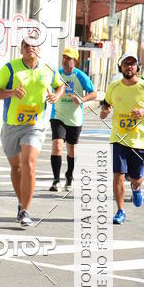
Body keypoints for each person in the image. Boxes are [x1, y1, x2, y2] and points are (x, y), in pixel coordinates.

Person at [0, 35, 64, 226]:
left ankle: (25, 210)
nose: (31, 48)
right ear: (21, 48)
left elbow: (60, 84)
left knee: (29, 164)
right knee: (16, 167)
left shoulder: (48, 69)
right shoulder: (10, 68)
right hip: (12, 124)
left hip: (35, 124)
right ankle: (21, 202)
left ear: (39, 49)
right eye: (27, 45)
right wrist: (11, 92)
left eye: (34, 45)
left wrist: (56, 95)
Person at [100, 53, 144, 225]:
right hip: (119, 138)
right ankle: (120, 210)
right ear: (120, 66)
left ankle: (136, 187)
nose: (129, 66)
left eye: (132, 64)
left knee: (135, 178)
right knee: (118, 175)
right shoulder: (114, 86)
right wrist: (104, 111)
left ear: (137, 67)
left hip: (140, 140)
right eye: (126, 63)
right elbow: (106, 104)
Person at [49, 47, 98, 192]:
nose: (65, 61)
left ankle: (69, 176)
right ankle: (56, 180)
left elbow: (94, 93)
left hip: (74, 118)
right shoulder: (56, 74)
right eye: (64, 57)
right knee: (57, 145)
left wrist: (82, 99)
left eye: (68, 58)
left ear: (75, 61)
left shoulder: (80, 75)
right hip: (57, 115)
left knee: (71, 149)